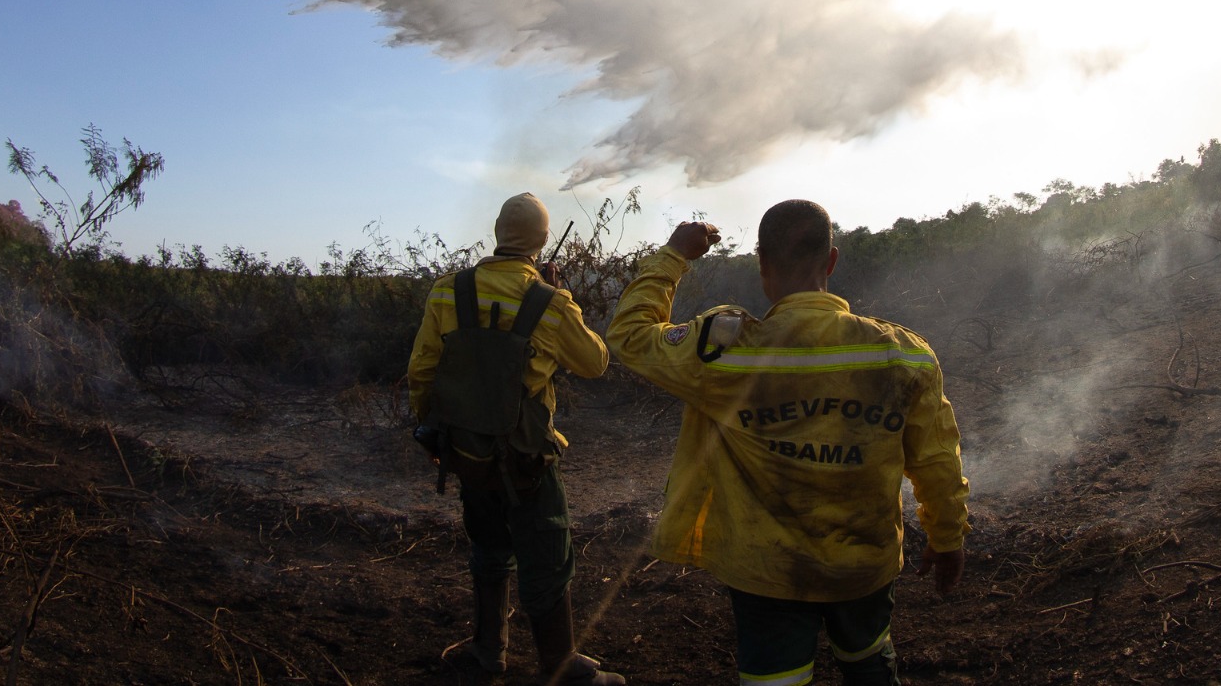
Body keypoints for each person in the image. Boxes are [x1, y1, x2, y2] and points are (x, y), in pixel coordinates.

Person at [606, 200, 969, 686]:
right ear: (832, 261)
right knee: (869, 662)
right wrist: (947, 537)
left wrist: (674, 255)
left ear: (761, 264)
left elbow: (628, 336)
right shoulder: (904, 354)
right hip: (865, 564)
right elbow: (937, 461)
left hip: (766, 572)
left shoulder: (723, 350)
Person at [409, 192, 624, 685]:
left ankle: (488, 652)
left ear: (497, 232)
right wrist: (561, 297)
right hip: (527, 459)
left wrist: (434, 436)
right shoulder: (549, 303)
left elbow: (422, 369)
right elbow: (595, 363)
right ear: (543, 241)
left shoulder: (448, 291)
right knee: (548, 555)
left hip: (467, 453)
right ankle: (562, 667)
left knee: (488, 547)